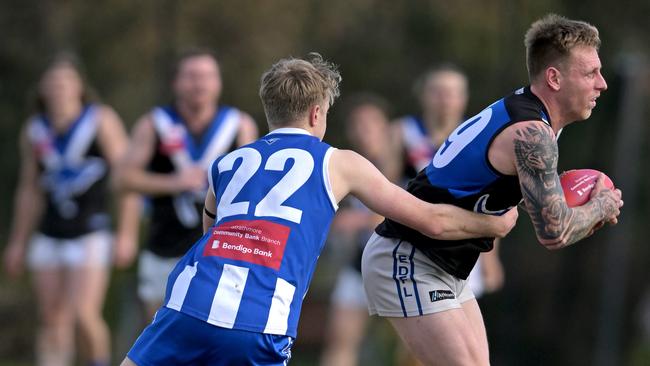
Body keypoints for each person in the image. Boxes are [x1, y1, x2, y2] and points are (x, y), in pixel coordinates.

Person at [120, 53, 518, 366]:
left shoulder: (227, 163)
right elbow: (431, 220)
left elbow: (211, 235)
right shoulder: (339, 162)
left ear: (269, 109)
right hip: (260, 320)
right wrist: (492, 223)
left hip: (187, 303)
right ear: (316, 113)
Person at [362, 14, 623, 366]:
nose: (602, 84)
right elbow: (554, 231)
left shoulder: (530, 115)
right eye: (590, 73)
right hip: (408, 256)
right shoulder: (532, 134)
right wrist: (603, 205)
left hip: (445, 264)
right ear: (554, 78)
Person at [3, 54, 140, 366]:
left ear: (79, 87)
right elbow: (30, 188)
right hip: (50, 232)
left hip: (90, 231)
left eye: (65, 82)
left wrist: (127, 234)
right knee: (52, 319)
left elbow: (126, 179)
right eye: (52, 83)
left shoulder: (100, 120)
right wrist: (18, 241)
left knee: (84, 315)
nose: (59, 89)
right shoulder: (35, 130)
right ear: (42, 89)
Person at [116, 49, 258, 320]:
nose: (200, 84)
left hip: (220, 249)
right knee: (158, 330)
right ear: (176, 83)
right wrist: (174, 182)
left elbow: (252, 188)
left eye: (207, 76)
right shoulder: (154, 123)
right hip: (164, 246)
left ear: (218, 83)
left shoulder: (239, 125)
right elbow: (123, 179)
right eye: (192, 76)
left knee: (213, 333)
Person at [320, 94, 400, 366]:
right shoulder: (344, 165)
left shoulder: (406, 163)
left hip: (404, 266)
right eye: (358, 124)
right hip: (360, 265)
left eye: (371, 123)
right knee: (340, 342)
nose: (364, 130)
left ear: (386, 127)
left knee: (414, 351)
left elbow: (407, 210)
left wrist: (360, 220)